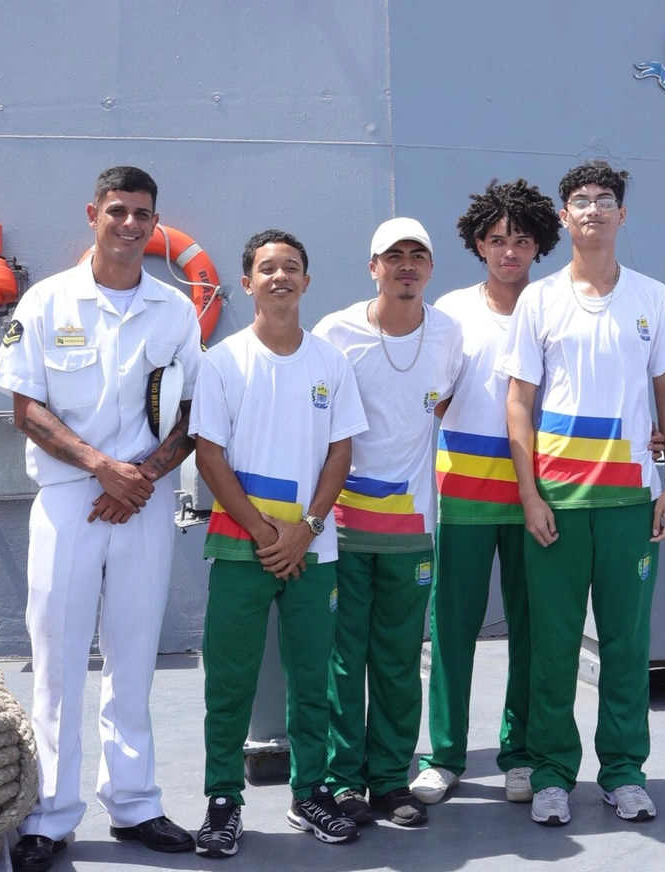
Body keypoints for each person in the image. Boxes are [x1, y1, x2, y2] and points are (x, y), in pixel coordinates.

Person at [0, 166, 201, 872]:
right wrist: (101, 467)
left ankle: (135, 804)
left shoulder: (174, 311)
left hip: (143, 502)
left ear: (154, 222)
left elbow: (192, 414)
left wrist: (137, 479)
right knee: (57, 663)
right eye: (118, 211)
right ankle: (49, 814)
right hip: (67, 500)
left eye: (142, 214)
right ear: (93, 214)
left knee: (135, 657)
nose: (129, 225)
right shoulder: (47, 301)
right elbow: (26, 409)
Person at [499, 160, 665, 827]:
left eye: (606, 200)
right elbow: (518, 402)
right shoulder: (540, 300)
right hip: (558, 503)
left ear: (622, 215)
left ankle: (624, 771)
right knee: (552, 647)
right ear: (564, 216)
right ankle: (552, 774)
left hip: (631, 503)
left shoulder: (653, 298)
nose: (594, 209)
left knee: (626, 647)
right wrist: (530, 495)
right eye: (581, 200)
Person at [190, 229, 369, 856]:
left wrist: (307, 528)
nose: (280, 277)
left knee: (312, 678)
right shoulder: (222, 361)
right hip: (242, 548)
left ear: (306, 280)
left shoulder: (330, 363)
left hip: (313, 550)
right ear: (247, 283)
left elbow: (341, 451)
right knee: (229, 682)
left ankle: (310, 792)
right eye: (267, 268)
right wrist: (268, 533)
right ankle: (222, 801)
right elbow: (210, 456)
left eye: (291, 267)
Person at [410, 179, 561, 807]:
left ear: (539, 245)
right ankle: (444, 755)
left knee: (532, 628)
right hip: (463, 491)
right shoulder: (451, 312)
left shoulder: (555, 305)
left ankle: (519, 755)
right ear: (478, 244)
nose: (509, 251)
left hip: (541, 493)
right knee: (452, 627)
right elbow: (433, 398)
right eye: (497, 239)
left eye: (521, 240)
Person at [313, 217, 463, 827]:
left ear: (430, 267)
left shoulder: (448, 333)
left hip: (410, 527)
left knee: (400, 659)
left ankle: (390, 779)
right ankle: (343, 779)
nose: (406, 264)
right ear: (373, 267)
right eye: (393, 255)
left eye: (417, 255)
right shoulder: (336, 332)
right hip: (342, 524)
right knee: (344, 657)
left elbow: (444, 405)